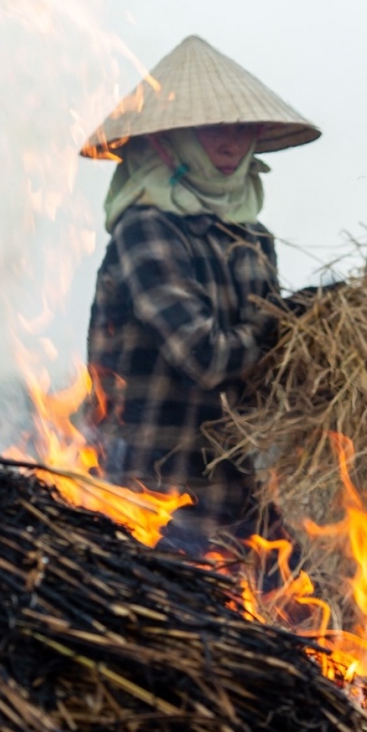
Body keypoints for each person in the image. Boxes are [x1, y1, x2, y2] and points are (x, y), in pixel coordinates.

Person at [80, 35, 322, 552]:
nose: (232, 145)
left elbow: (262, 363)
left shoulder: (252, 237)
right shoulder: (146, 228)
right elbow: (206, 356)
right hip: (149, 492)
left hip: (229, 485)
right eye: (214, 129)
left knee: (320, 616)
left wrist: (320, 333)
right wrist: (288, 321)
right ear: (172, 139)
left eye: (242, 129)